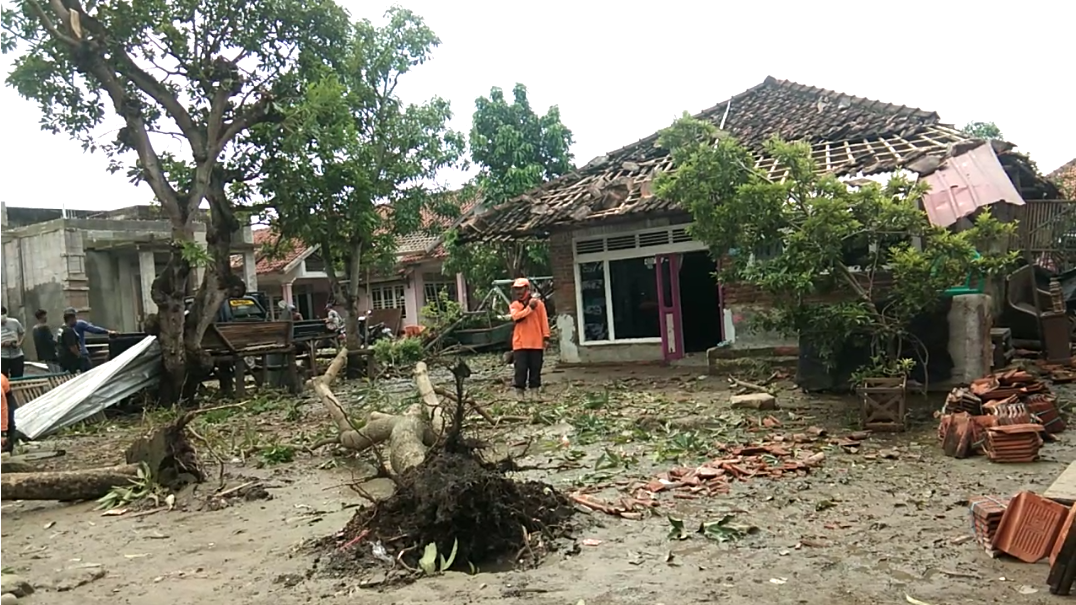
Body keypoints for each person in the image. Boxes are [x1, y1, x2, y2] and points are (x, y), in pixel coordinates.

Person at [508, 278, 550, 401]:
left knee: (535, 369)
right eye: (516, 289)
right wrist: (529, 309)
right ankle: (520, 393)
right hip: (520, 343)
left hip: (536, 342)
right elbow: (516, 317)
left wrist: (546, 337)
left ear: (527, 289)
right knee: (520, 369)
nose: (518, 292)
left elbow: (544, 321)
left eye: (520, 288)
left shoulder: (539, 304)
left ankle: (535, 393)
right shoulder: (515, 305)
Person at [63, 307, 116, 373]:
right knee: (89, 373)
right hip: (80, 354)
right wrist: (107, 332)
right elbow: (93, 329)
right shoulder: (77, 326)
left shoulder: (63, 329)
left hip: (71, 357)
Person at [32, 309, 62, 373]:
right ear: (42, 317)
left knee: (51, 371)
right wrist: (57, 344)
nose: (46, 317)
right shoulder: (44, 327)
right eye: (45, 316)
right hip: (50, 354)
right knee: (56, 371)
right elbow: (49, 340)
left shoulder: (35, 329)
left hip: (43, 354)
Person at [0, 305, 26, 378]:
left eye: (3, 314)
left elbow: (22, 333)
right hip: (2, 356)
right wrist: (3, 344)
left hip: (17, 355)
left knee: (18, 377)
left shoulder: (14, 322)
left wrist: (19, 343)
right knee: (3, 379)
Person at [1, 372, 15, 453]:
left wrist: (3, 433)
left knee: (9, 422)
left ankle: (8, 450)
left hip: (6, 396)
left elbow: (3, 409)